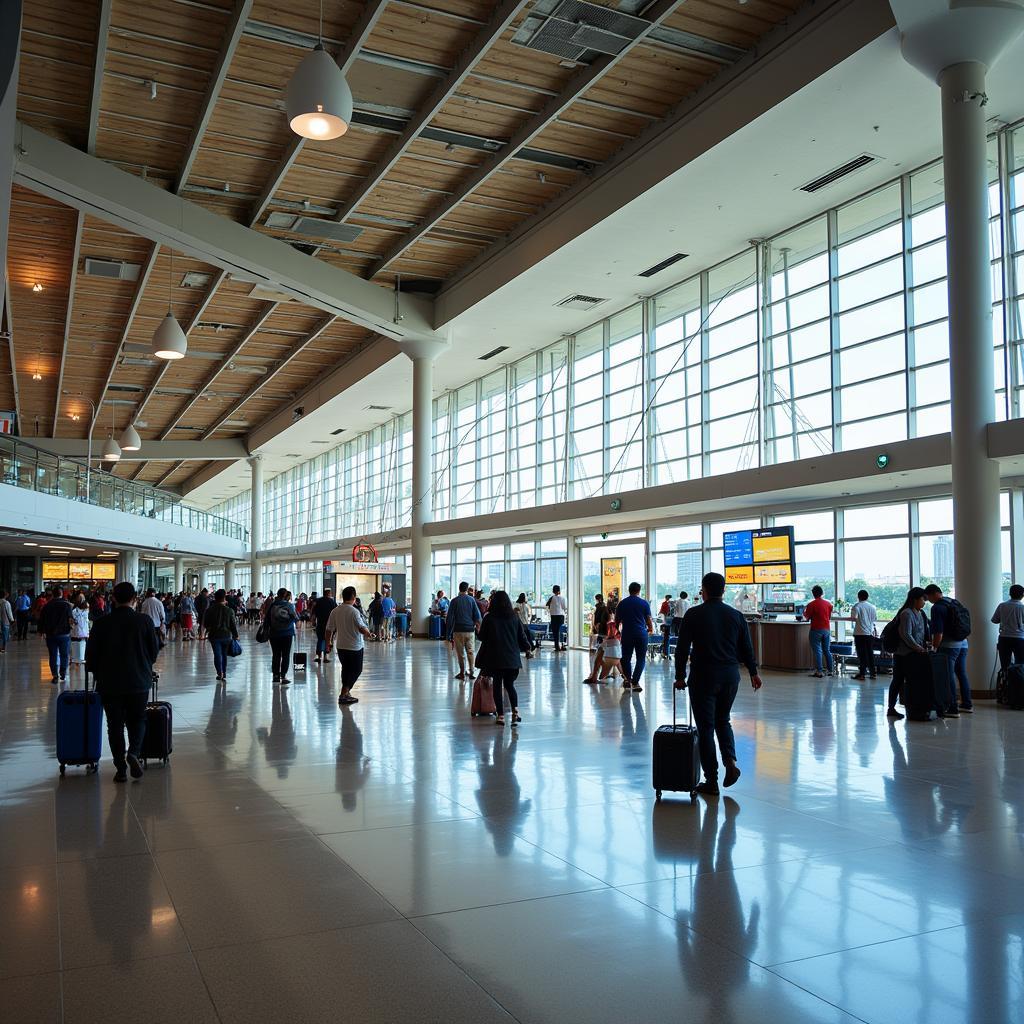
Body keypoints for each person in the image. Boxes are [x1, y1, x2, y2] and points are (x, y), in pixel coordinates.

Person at [675, 572, 763, 795]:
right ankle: (731, 763)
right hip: (730, 677)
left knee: (705, 728)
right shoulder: (736, 615)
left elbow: (682, 648)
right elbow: (746, 648)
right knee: (723, 721)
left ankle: (711, 780)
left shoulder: (694, 614)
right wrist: (753, 672)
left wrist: (679, 676)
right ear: (724, 591)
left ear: (702, 590)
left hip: (703, 677)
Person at [86, 581, 160, 782]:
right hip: (138, 681)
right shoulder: (144, 621)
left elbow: (90, 657)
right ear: (135, 599)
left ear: (113, 599)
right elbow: (154, 651)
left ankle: (120, 769)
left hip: (110, 683)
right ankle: (133, 752)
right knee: (138, 720)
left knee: (114, 725)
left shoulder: (101, 623)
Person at [476, 590, 531, 727]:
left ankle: (500, 716)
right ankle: (515, 712)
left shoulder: (489, 618)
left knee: (497, 686)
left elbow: (482, 637)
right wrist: (528, 648)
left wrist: (478, 629)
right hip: (512, 660)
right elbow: (522, 636)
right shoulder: (514, 617)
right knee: (510, 686)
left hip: (495, 659)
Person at [924, 584, 970, 715]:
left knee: (948, 675)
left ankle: (952, 707)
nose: (928, 601)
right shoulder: (953, 602)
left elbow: (938, 633)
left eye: (927, 598)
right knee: (961, 673)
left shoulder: (937, 608)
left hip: (949, 646)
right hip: (963, 643)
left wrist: (934, 647)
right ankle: (967, 704)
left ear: (932, 594)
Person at [888, 587, 930, 720]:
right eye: (923, 599)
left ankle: (911, 708)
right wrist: (918, 647)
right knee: (898, 680)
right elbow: (905, 634)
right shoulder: (906, 613)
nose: (924, 602)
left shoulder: (920, 613)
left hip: (915, 654)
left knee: (912, 682)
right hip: (904, 654)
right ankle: (891, 707)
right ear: (915, 599)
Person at [326, 586, 372, 705]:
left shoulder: (335, 611)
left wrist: (328, 643)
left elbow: (329, 629)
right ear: (353, 597)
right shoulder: (354, 611)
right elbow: (361, 628)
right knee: (356, 670)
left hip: (341, 646)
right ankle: (344, 693)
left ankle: (346, 692)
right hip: (354, 647)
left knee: (346, 669)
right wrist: (369, 633)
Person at [614, 581, 654, 692]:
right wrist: (650, 629)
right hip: (641, 634)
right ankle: (635, 682)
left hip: (627, 634)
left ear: (629, 590)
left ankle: (627, 679)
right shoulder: (644, 603)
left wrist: (618, 630)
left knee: (626, 657)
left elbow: (617, 621)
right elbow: (648, 619)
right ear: (639, 590)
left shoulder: (622, 603)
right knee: (641, 658)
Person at [447, 581, 482, 680]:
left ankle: (462, 673)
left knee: (460, 653)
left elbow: (449, 618)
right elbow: (477, 616)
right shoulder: (471, 600)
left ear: (459, 589)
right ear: (467, 590)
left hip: (458, 630)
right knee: (470, 651)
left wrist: (448, 634)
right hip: (470, 630)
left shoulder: (454, 601)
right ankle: (471, 672)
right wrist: (478, 627)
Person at [204, 589, 239, 683]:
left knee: (217, 654)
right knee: (224, 654)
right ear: (224, 598)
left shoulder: (210, 610)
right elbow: (232, 624)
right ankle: (224, 672)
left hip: (214, 635)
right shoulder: (229, 610)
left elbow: (206, 624)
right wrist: (236, 635)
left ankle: (219, 673)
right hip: (226, 635)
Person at [39, 588, 74, 683]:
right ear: (61, 594)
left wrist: (41, 631)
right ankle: (63, 673)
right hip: (64, 634)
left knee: (53, 655)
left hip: (51, 635)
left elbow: (42, 619)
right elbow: (71, 619)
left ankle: (55, 675)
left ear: (53, 595)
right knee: (64, 655)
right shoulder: (67, 605)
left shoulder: (47, 605)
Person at [266, 588, 299, 685]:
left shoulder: (272, 605)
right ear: (286, 596)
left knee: (276, 655)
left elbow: (267, 619)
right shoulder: (289, 605)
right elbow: (296, 617)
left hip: (274, 634)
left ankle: (275, 676)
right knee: (285, 655)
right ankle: (283, 676)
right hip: (287, 634)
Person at [992, 584, 1024, 671]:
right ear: (1022, 595)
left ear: (1010, 594)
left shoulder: (1002, 606)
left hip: (1004, 638)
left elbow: (994, 620)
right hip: (1019, 639)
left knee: (1005, 666)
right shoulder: (1022, 607)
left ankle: (1006, 683)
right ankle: (1018, 683)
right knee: (1020, 666)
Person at [804, 585, 833, 678]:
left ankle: (819, 671)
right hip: (827, 629)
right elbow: (829, 617)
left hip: (816, 629)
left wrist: (803, 612)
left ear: (813, 594)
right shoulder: (829, 604)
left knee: (817, 651)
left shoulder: (811, 604)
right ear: (822, 593)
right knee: (827, 650)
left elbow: (806, 617)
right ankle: (830, 671)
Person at [849, 589, 877, 681]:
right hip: (869, 633)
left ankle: (862, 675)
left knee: (861, 655)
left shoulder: (856, 606)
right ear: (867, 597)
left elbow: (853, 618)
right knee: (870, 653)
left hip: (859, 633)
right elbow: (874, 619)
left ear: (858, 597)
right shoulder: (872, 607)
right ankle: (873, 673)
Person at [584, 594, 607, 684]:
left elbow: (595, 621)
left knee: (597, 654)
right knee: (600, 654)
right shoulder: (604, 608)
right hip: (602, 634)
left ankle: (595, 674)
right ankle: (598, 673)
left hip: (599, 633)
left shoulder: (598, 609)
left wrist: (594, 628)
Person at [312, 588, 337, 664]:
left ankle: (318, 656)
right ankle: (326, 656)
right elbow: (335, 612)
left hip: (320, 623)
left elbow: (314, 612)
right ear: (329, 594)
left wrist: (313, 621)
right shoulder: (331, 601)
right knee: (327, 640)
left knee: (320, 639)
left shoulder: (318, 601)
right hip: (329, 624)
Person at [70, 593, 90, 664]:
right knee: (80, 641)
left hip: (79, 627)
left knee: (77, 641)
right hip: (81, 627)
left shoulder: (75, 608)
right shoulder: (85, 606)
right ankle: (79, 658)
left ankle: (76, 657)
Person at [546, 585, 567, 651]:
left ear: (553, 590)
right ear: (559, 590)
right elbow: (564, 607)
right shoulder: (562, 598)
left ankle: (556, 646)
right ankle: (562, 645)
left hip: (553, 616)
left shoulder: (551, 598)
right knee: (561, 631)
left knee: (555, 632)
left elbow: (547, 605)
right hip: (560, 616)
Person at [514, 593, 535, 658]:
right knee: (526, 636)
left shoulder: (518, 605)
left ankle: (528, 650)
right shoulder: (524, 605)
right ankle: (529, 649)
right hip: (523, 623)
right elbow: (528, 615)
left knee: (524, 637)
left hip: (522, 623)